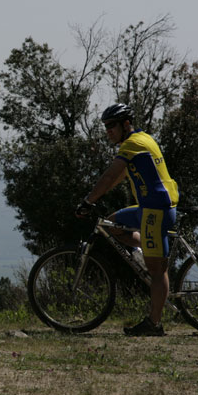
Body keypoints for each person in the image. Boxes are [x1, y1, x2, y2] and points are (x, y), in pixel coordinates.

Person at [75, 103, 179, 336]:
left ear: (126, 124)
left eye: (111, 125)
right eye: (105, 126)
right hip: (149, 207)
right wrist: (97, 197)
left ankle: (153, 324)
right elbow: (118, 177)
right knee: (113, 225)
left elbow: (110, 174)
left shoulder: (134, 144)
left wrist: (88, 201)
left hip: (156, 210)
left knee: (156, 271)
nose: (108, 130)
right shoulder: (142, 140)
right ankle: (147, 247)